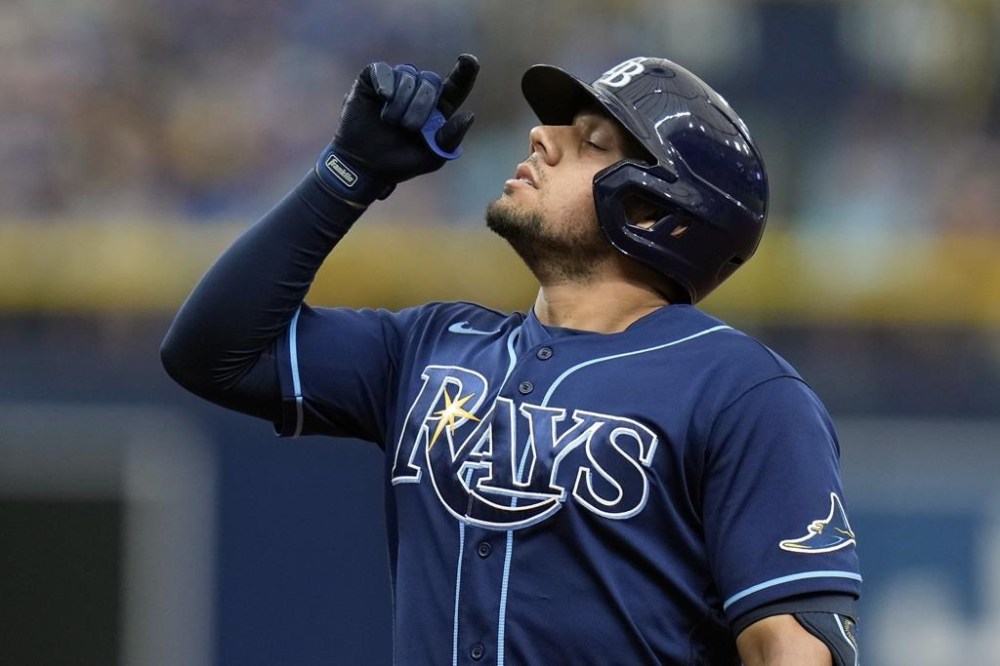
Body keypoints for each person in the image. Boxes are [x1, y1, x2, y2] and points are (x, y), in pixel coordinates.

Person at [161, 53, 861, 665]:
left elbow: (790, 648)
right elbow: (214, 353)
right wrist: (348, 175)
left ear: (651, 212)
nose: (541, 137)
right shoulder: (429, 347)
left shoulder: (742, 391)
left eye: (591, 143)